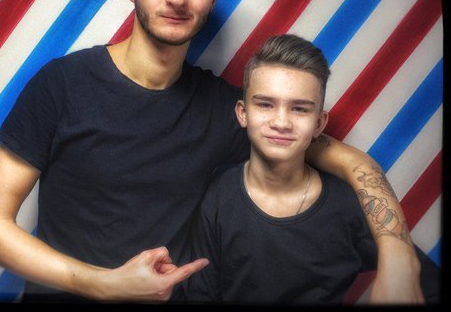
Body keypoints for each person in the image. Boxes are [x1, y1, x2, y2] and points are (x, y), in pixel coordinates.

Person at [0, 0, 424, 304]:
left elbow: (350, 162)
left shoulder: (228, 110)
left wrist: (398, 255)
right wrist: (104, 285)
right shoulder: (62, 84)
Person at [186, 34, 439, 305]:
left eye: (299, 109)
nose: (281, 122)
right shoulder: (218, 196)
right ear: (243, 113)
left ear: (319, 123)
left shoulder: (347, 206)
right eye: (265, 104)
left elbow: (425, 281)